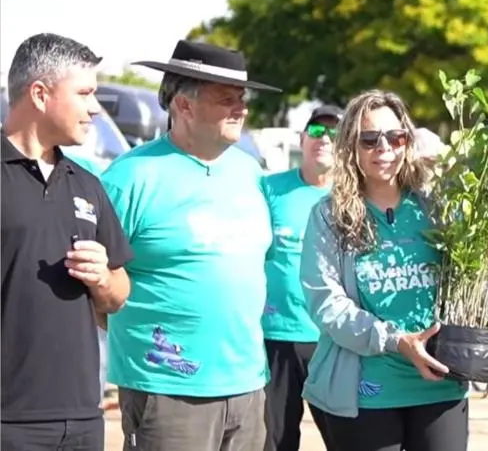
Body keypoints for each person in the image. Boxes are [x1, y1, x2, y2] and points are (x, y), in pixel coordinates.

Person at [100, 39, 282, 450]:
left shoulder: (249, 172)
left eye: (242, 98)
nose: (242, 108)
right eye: (226, 99)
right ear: (183, 105)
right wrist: (146, 341)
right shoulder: (131, 177)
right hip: (168, 390)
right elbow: (96, 284)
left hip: (249, 383)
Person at [299, 90, 469, 451]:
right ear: (351, 146)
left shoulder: (437, 208)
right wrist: (396, 342)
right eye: (370, 139)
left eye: (395, 137)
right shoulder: (330, 216)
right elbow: (326, 303)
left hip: (439, 385)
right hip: (367, 392)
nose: (384, 148)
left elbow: (470, 281)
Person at [1, 33, 133, 450]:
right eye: (84, 93)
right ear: (40, 94)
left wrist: (101, 281)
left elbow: (118, 294)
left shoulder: (88, 184)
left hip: (81, 419)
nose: (94, 107)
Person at [262, 105, 343, 451]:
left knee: (347, 440)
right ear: (302, 138)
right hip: (275, 338)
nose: (323, 139)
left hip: (333, 341)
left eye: (333, 134)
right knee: (275, 441)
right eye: (315, 131)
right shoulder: (269, 189)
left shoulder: (352, 198)